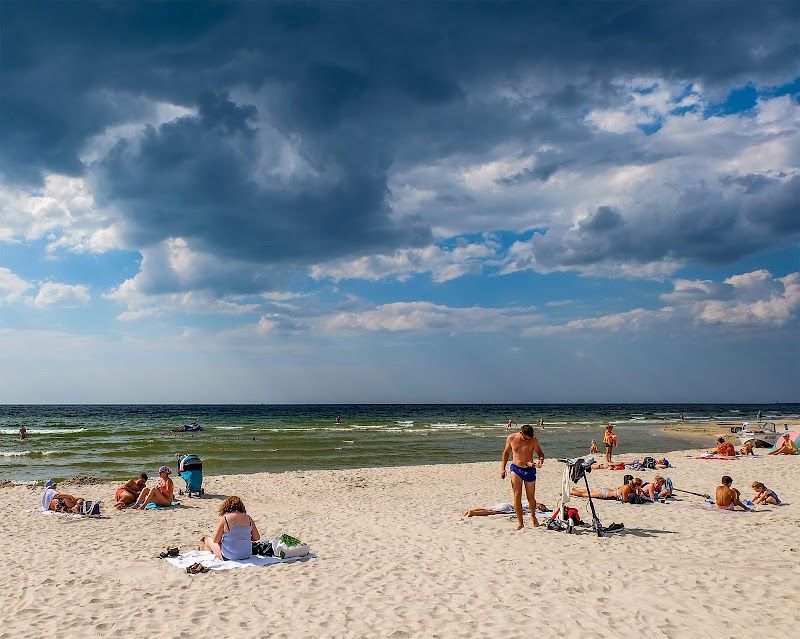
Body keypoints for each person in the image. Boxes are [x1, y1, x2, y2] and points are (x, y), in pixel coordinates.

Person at [500, 424, 545, 529]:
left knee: (531, 497)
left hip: (529, 470)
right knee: (517, 494)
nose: (527, 440)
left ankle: (533, 516)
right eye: (525, 438)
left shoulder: (533, 440)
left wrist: (540, 461)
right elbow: (506, 453)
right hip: (516, 469)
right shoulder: (511, 438)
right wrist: (502, 468)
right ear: (521, 433)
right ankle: (520, 522)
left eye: (529, 438)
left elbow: (540, 454)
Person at [198, 496, 261, 561]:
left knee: (207, 539)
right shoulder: (248, 518)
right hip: (246, 555)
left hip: (229, 556)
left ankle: (203, 549)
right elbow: (257, 538)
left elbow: (216, 540)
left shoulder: (225, 518)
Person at [462, 502, 549, 517]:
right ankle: (473, 512)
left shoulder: (528, 501)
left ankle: (470, 510)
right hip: (507, 508)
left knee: (488, 508)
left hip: (505, 504)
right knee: (491, 512)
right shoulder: (531, 504)